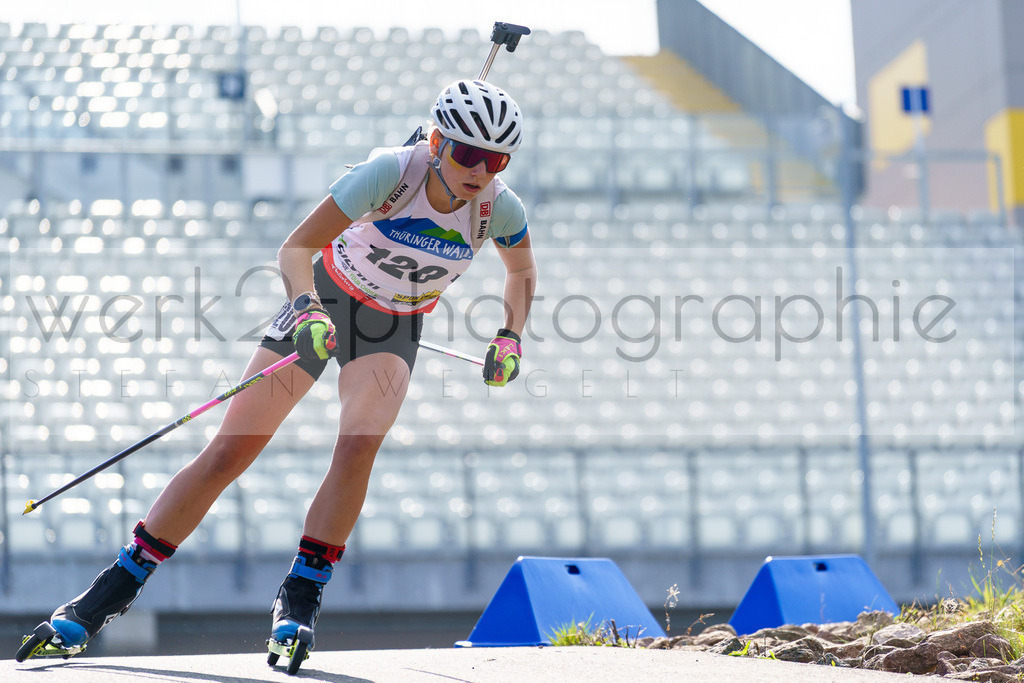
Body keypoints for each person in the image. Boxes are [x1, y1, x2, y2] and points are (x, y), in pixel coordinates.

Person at [21, 79, 536, 670]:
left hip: (392, 328)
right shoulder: (387, 173)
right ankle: (105, 597)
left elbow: (522, 272)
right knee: (230, 452)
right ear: (439, 141)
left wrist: (509, 336)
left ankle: (300, 598)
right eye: (469, 154)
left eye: (497, 160)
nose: (481, 171)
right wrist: (307, 308)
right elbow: (295, 248)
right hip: (324, 303)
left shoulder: (501, 207)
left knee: (357, 447)